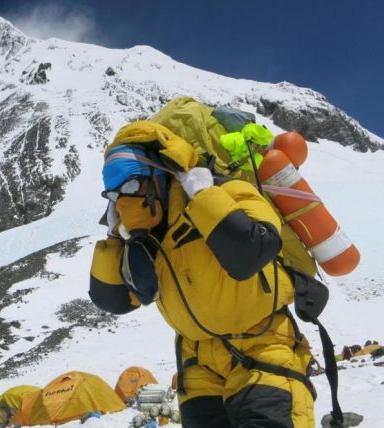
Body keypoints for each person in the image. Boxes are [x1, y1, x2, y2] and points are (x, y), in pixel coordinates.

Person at [90, 121, 316, 427]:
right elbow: (114, 300)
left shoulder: (230, 191)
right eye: (114, 192)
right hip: (197, 365)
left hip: (263, 347)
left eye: (131, 184)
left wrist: (202, 195)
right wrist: (116, 238)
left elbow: (253, 250)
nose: (124, 198)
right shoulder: (144, 242)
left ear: (161, 173)